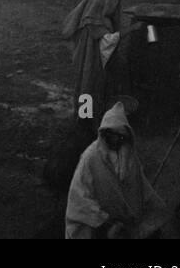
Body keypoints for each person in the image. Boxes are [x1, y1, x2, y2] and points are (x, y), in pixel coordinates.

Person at [65, 101, 168, 240]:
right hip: (100, 221)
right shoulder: (90, 157)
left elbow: (140, 187)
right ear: (103, 134)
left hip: (126, 219)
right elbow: (79, 200)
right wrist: (106, 223)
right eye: (110, 135)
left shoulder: (129, 156)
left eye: (119, 136)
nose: (114, 139)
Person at [63, 0, 125, 126]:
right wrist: (124, 34)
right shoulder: (93, 22)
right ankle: (85, 120)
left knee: (92, 88)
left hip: (93, 62)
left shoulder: (97, 18)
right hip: (90, 63)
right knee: (88, 86)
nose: (116, 8)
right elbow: (107, 42)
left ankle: (88, 118)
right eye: (115, 4)